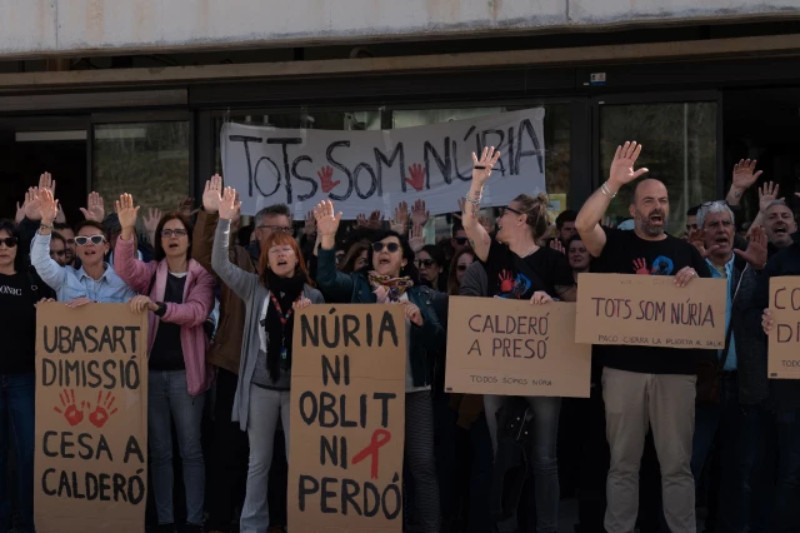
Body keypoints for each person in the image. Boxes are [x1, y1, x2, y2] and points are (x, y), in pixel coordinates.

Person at [574, 140, 711, 533]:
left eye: (663, 200)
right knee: (622, 466)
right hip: (623, 372)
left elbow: (709, 313)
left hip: (675, 375)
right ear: (633, 210)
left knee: (677, 468)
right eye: (648, 200)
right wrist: (612, 184)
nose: (657, 207)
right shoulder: (615, 244)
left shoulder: (687, 253)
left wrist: (695, 282)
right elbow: (584, 225)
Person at [314, 199, 445, 533]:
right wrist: (327, 239)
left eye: (391, 247)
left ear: (403, 260)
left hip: (413, 392)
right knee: (378, 469)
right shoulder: (358, 287)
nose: (382, 251)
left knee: (422, 463)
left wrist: (420, 322)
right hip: (369, 397)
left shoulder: (418, 296)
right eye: (377, 247)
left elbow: (439, 343)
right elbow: (327, 280)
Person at [462, 146, 575, 533]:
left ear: (522, 219)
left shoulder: (554, 262)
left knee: (544, 459)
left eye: (504, 214)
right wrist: (478, 182)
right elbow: (469, 224)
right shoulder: (496, 256)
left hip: (543, 374)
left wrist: (553, 306)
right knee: (503, 455)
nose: (497, 220)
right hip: (498, 370)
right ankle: (506, 526)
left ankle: (546, 527)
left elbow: (579, 314)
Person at [212, 186, 322, 533]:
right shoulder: (253, 287)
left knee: (297, 463)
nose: (279, 253)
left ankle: (301, 524)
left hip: (297, 393)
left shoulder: (314, 296)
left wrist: (312, 315)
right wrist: (224, 222)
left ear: (296, 256)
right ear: (266, 257)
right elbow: (218, 263)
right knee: (257, 463)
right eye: (273, 250)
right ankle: (251, 527)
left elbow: (325, 348)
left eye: (286, 248)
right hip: (259, 389)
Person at [114, 193, 215, 533]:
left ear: (189, 239)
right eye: (166, 233)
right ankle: (167, 519)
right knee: (159, 453)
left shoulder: (202, 276)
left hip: (188, 377)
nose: (172, 237)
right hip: (153, 377)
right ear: (160, 240)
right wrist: (127, 232)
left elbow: (197, 313)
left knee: (190, 450)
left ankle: (194, 519)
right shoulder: (152, 272)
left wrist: (159, 307)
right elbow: (125, 269)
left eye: (178, 232)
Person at [688, 201, 766, 533]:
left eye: (727, 224)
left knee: (739, 472)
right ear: (701, 232)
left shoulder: (757, 270)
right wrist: (692, 264)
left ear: (736, 231)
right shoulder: (689, 271)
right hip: (701, 387)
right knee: (690, 468)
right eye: (714, 224)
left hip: (744, 387)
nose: (721, 230)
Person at [192, 175, 255, 533]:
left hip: (275, 375)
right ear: (255, 231)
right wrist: (213, 215)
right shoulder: (238, 260)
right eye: (266, 229)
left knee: (264, 456)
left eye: (282, 232)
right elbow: (206, 254)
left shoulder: (294, 270)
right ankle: (219, 519)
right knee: (227, 448)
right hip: (234, 365)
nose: (273, 237)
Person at [0, 220, 53, 533]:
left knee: (28, 454)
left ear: (18, 246)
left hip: (24, 381)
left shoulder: (34, 281)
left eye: (9, 242)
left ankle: (27, 520)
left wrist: (50, 309)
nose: (3, 248)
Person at [29, 189, 136, 305]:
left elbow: (131, 317)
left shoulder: (122, 284)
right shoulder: (64, 278)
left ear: (106, 247)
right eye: (82, 240)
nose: (89, 244)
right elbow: (39, 261)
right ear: (76, 249)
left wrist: (93, 307)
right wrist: (46, 221)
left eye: (95, 239)